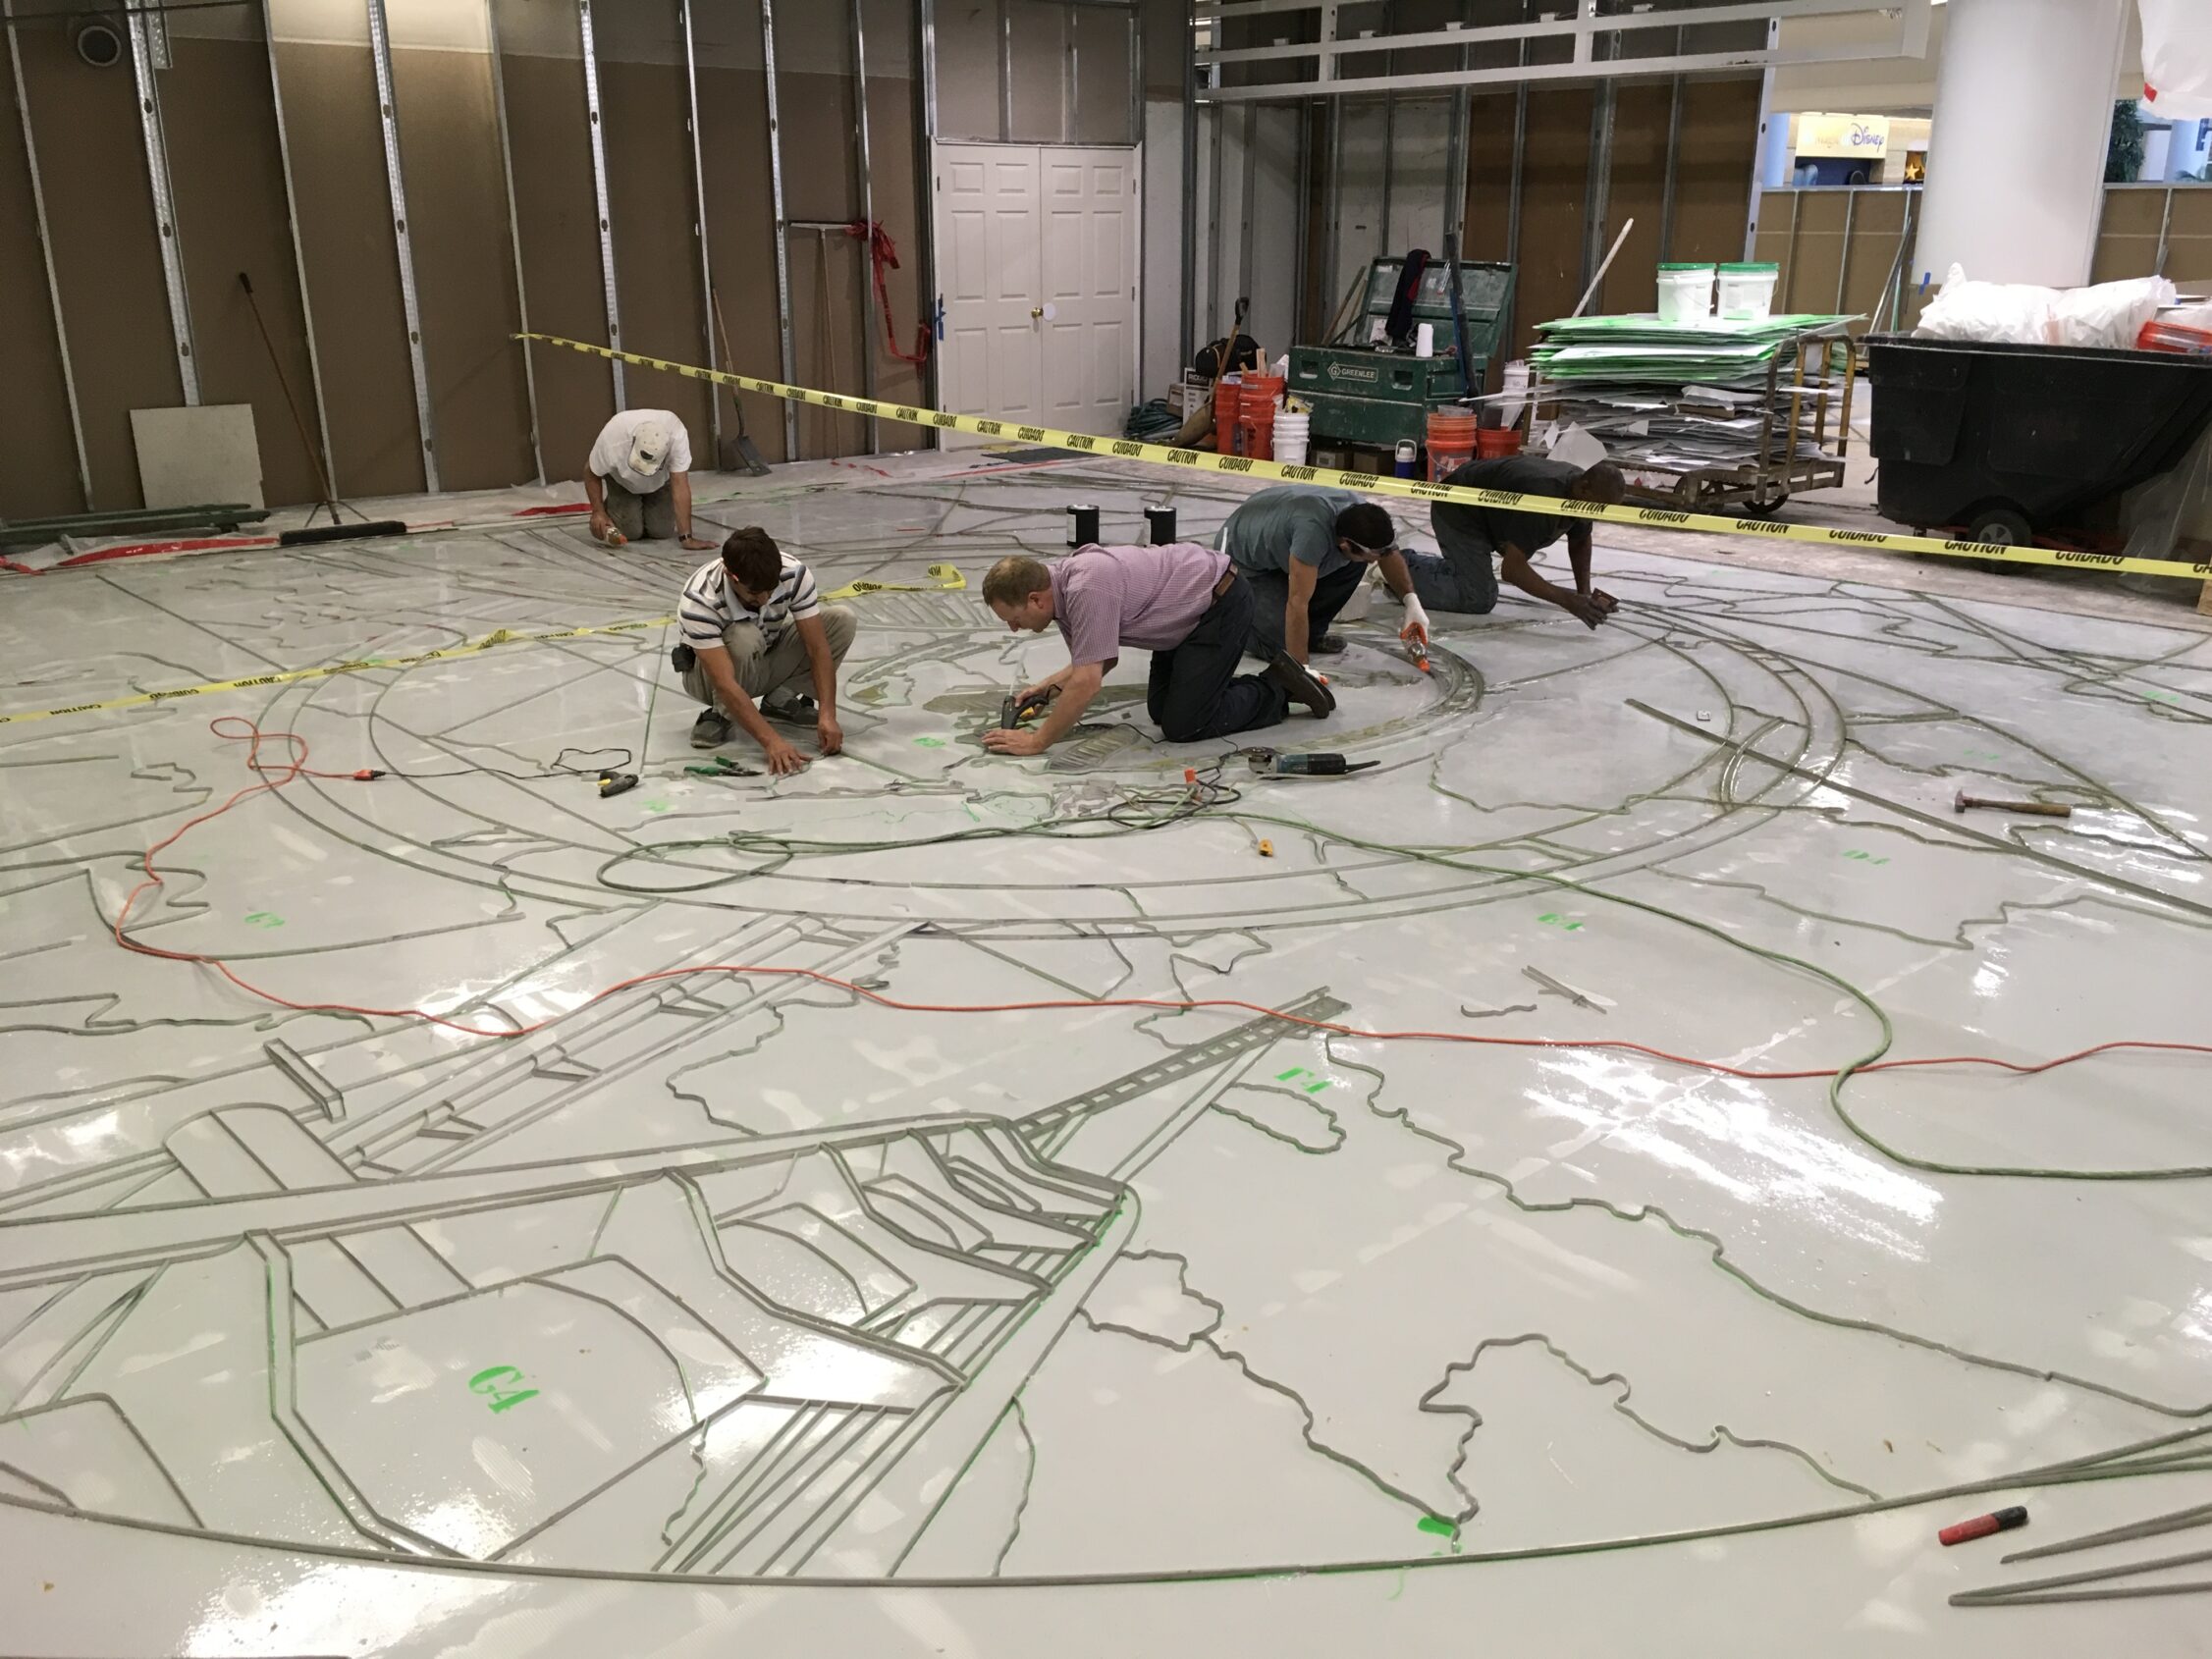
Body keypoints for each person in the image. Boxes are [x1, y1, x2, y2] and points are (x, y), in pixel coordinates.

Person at [978, 545, 1331, 756]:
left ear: (1034, 599)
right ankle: (1216, 687)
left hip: (1217, 604)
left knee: (1185, 726)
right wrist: (1048, 689)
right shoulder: (1061, 595)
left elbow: (1088, 682)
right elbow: (1102, 659)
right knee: (1162, 712)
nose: (1013, 628)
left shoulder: (1086, 588)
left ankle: (1278, 686)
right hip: (1179, 619)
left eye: (1013, 618)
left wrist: (1038, 741)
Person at [675, 526, 856, 776]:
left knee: (841, 620)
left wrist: (828, 713)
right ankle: (721, 714)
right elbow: (724, 683)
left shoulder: (792, 573)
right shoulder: (700, 599)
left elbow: (818, 648)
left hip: (762, 658)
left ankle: (779, 700)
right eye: (754, 592)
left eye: (770, 591)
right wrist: (772, 742)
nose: (764, 600)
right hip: (709, 679)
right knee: (743, 636)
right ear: (731, 576)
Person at [1218, 485, 1430, 665]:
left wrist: (1412, 603)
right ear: (1345, 543)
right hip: (1245, 563)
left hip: (1283, 545)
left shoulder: (1362, 517)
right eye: (1372, 555)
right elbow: (1297, 603)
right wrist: (1302, 670)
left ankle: (1312, 634)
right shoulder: (1311, 534)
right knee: (1280, 648)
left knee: (1355, 564)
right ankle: (1238, 625)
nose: (1376, 561)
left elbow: (1387, 553)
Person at [1417, 455, 1627, 628]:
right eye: (1598, 508)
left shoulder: (1580, 495)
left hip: (1488, 516)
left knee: (1476, 586)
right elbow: (1512, 570)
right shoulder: (1543, 499)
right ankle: (1400, 568)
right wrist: (1569, 600)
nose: (1597, 516)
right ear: (1583, 488)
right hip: (1458, 508)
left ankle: (1420, 568)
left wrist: (1585, 594)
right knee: (1477, 598)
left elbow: (1580, 540)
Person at [584, 408, 716, 551]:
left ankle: (643, 506)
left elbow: (680, 484)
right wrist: (598, 512)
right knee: (631, 532)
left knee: (662, 532)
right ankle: (613, 504)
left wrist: (687, 538)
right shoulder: (614, 438)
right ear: (633, 440)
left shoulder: (676, 436)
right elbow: (590, 472)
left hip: (660, 482)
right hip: (623, 482)